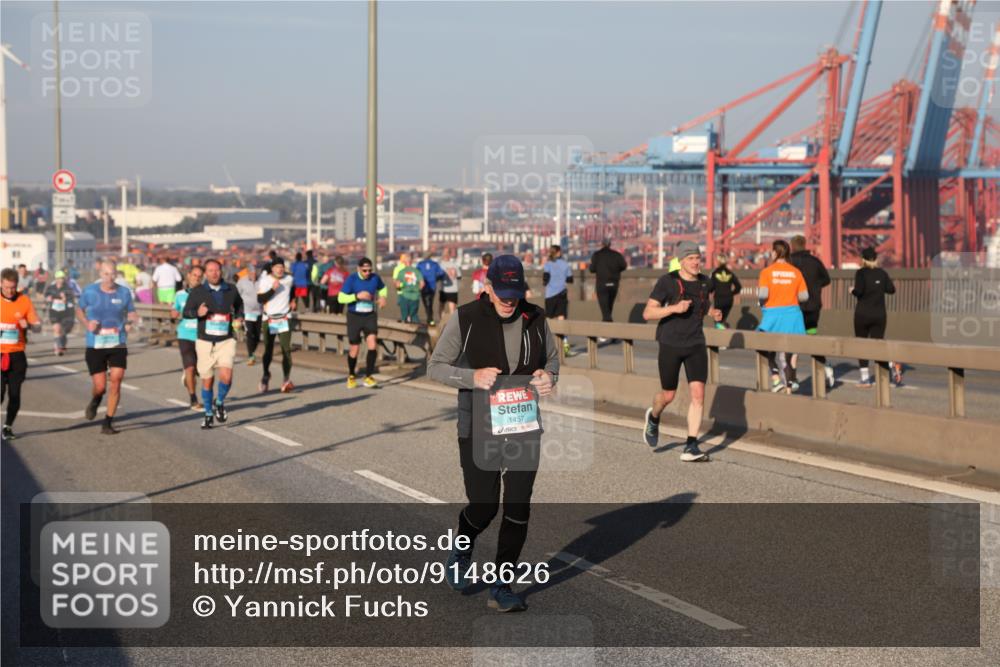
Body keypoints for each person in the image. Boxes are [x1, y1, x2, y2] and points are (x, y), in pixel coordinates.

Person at [427, 254, 559, 612]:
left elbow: (552, 359)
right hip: (478, 427)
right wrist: (472, 377)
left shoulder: (536, 318)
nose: (508, 298)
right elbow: (435, 366)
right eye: (501, 290)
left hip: (523, 425)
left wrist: (549, 377)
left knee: (517, 508)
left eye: (514, 291)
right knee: (484, 507)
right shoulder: (466, 318)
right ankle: (463, 544)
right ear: (487, 287)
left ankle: (502, 585)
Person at [641, 240, 722, 461]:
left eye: (698, 258)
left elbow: (704, 305)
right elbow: (648, 313)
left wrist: (713, 312)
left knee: (698, 394)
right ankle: (654, 417)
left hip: (695, 343)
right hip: (670, 343)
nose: (696, 262)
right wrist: (675, 308)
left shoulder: (706, 283)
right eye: (691, 259)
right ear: (681, 261)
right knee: (668, 395)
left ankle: (691, 445)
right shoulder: (667, 282)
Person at [76, 260, 138, 435]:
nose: (109, 277)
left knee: (116, 380)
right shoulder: (90, 291)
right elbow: (79, 309)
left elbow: (131, 311)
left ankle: (108, 422)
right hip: (95, 344)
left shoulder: (124, 292)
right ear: (100, 274)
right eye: (105, 274)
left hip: (117, 341)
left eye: (112, 274)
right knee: (101, 386)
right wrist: (87, 323)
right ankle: (96, 399)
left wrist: (131, 321)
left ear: (116, 274)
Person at [183, 259, 244, 429]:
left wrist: (239, 317)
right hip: (205, 342)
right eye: (210, 271)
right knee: (207, 382)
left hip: (226, 340)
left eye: (217, 270)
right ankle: (208, 413)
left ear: (221, 271)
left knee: (226, 376)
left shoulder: (231, 289)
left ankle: (220, 401)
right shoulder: (197, 291)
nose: (214, 273)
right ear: (206, 274)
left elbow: (239, 306)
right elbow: (186, 313)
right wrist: (197, 312)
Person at [756, 239, 809, 393]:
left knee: (763, 348)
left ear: (775, 252)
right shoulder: (796, 272)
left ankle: (776, 379)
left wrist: (761, 301)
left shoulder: (767, 272)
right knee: (789, 353)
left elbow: (764, 294)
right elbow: (804, 296)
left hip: (773, 315)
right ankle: (789, 386)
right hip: (793, 315)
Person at [1, 267, 42, 441]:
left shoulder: (24, 301)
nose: (10, 291)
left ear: (17, 285)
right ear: (1, 284)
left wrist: (30, 326)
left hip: (17, 355)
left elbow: (38, 326)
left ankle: (7, 427)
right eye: (6, 287)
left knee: (15, 394)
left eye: (13, 287)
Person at [788, 235, 833, 388]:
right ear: (804, 244)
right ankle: (826, 368)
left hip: (795, 307)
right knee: (812, 338)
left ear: (792, 246)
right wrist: (815, 286)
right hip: (813, 307)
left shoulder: (789, 262)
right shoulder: (815, 262)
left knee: (793, 342)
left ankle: (792, 378)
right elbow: (827, 280)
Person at [852, 247, 899, 387]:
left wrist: (852, 291)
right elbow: (891, 290)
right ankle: (890, 367)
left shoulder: (860, 273)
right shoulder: (882, 273)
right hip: (879, 315)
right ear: (876, 259)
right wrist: (879, 287)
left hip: (862, 314)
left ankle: (865, 379)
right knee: (878, 344)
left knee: (862, 344)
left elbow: (859, 291)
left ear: (863, 260)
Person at [338, 257, 387, 388]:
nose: (367, 273)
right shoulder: (352, 279)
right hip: (354, 316)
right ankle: (351, 375)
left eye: (370, 270)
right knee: (355, 348)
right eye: (364, 270)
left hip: (369, 315)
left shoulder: (375, 278)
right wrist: (356, 296)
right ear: (359, 269)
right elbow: (341, 298)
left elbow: (383, 288)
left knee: (372, 344)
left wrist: (383, 297)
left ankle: (369, 376)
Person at [257, 257, 296, 393]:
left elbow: (292, 289)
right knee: (268, 349)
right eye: (277, 267)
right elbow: (260, 299)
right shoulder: (265, 280)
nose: (280, 269)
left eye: (282, 267)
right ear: (272, 268)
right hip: (269, 319)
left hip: (285, 318)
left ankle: (286, 379)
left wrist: (292, 299)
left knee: (286, 350)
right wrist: (273, 290)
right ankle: (266, 374)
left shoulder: (289, 279)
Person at [171, 266, 205, 410]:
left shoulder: (206, 294)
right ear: (188, 276)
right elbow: (175, 310)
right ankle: (193, 399)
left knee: (201, 370)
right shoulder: (179, 294)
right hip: (185, 335)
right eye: (194, 275)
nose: (196, 278)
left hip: (202, 336)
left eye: (199, 276)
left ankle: (189, 376)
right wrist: (173, 313)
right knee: (190, 367)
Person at [543, 245, 574, 356]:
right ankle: (565, 343)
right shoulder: (565, 264)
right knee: (561, 318)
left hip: (550, 295)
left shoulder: (547, 264)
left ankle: (545, 345)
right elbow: (570, 279)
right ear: (559, 252)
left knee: (549, 319)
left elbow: (545, 280)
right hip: (562, 294)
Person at [589, 238, 627, 324]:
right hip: (614, 283)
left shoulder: (597, 255)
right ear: (610, 244)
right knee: (609, 307)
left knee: (605, 310)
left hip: (602, 284)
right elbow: (623, 266)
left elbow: (592, 269)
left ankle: (607, 331)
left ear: (602, 244)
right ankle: (608, 328)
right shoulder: (617, 255)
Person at [44, 270, 77, 356]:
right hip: (54, 312)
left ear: (64, 279)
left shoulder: (67, 288)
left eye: (61, 278)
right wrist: (48, 298)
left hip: (64, 312)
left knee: (63, 331)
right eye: (58, 278)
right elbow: (46, 296)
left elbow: (72, 300)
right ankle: (57, 347)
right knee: (56, 329)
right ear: (55, 279)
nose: (60, 280)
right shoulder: (51, 288)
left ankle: (62, 344)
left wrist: (65, 299)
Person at [236, 264, 262, 366]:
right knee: (250, 334)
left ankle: (252, 351)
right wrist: (238, 312)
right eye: (252, 273)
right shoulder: (242, 282)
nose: (254, 275)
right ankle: (251, 355)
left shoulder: (261, 281)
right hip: (247, 312)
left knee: (257, 336)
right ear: (248, 273)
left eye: (255, 273)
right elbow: (236, 296)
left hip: (259, 312)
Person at [709, 255, 741, 330]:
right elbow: (738, 286)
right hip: (729, 299)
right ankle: (723, 330)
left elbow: (710, 286)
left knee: (717, 318)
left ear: (718, 262)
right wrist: (731, 293)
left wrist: (710, 291)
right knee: (723, 318)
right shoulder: (730, 273)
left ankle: (721, 333)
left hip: (719, 298)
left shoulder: (714, 273)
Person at [416, 252, 446, 326]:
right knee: (430, 302)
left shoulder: (420, 264)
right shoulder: (435, 264)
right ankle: (430, 319)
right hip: (432, 286)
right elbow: (441, 273)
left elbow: (415, 274)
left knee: (426, 303)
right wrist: (436, 279)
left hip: (423, 286)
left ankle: (430, 319)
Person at [395, 256, 424, 323]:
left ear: (404, 263)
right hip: (415, 296)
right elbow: (422, 284)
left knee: (404, 315)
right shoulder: (417, 271)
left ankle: (404, 329)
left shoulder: (401, 272)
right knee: (414, 315)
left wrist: (400, 291)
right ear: (411, 262)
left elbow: (397, 284)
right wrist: (417, 290)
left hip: (405, 295)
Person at [439, 251, 462, 316]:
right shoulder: (454, 264)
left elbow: (437, 277)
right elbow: (459, 276)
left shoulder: (440, 265)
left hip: (444, 289)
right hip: (451, 289)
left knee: (442, 307)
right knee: (451, 308)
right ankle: (451, 324)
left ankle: (442, 322)